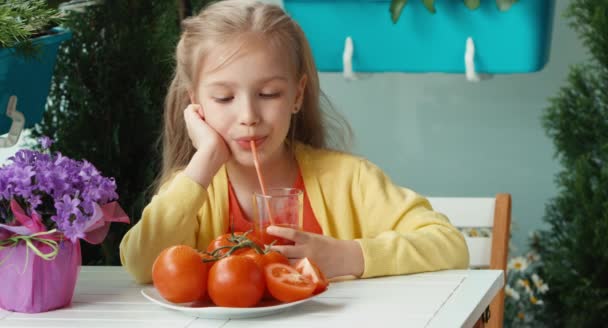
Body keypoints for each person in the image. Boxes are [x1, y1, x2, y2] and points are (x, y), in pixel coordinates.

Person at [119, 0, 469, 284]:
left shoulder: (350, 180)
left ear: (297, 96)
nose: (248, 115)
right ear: (196, 104)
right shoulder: (193, 190)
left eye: (269, 93)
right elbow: (139, 264)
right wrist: (205, 160)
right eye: (224, 98)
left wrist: (347, 256)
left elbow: (450, 245)